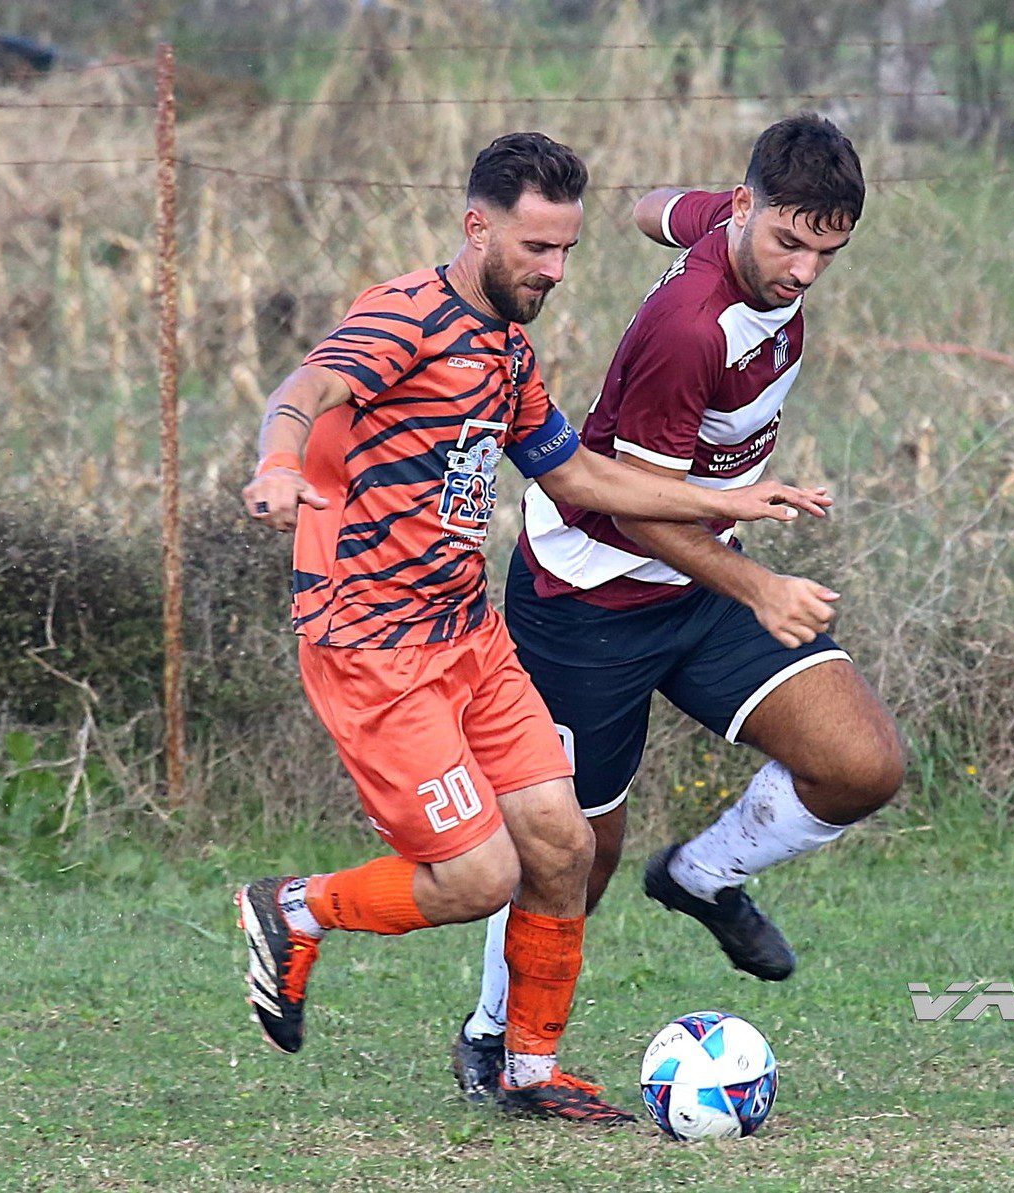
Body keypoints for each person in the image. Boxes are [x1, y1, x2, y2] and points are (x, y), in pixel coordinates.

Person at [232, 131, 830, 1124]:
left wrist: (734, 492)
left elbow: (578, 475)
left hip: (469, 632)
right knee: (477, 873)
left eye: (566, 253)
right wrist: (278, 463)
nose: (553, 271)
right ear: (478, 227)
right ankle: (292, 909)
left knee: (564, 843)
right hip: (377, 646)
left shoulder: (508, 348)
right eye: (536, 249)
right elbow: (309, 387)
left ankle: (530, 1069)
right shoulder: (407, 316)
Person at [453, 115, 905, 1102]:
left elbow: (660, 209)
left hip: (698, 582)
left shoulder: (737, 226)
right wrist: (763, 586)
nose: (806, 272)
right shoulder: (686, 330)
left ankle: (701, 876)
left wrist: (651, 211)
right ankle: (492, 1036)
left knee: (862, 762)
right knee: (576, 851)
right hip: (591, 600)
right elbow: (629, 508)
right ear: (749, 211)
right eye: (791, 243)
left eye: (828, 250)